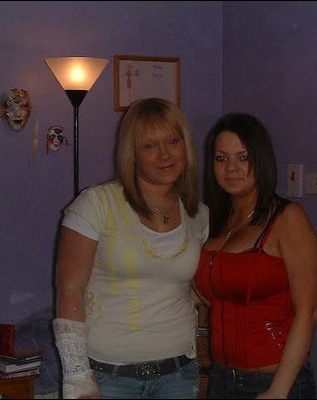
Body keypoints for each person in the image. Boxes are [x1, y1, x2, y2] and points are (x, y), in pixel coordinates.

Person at [52, 97, 209, 399]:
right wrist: (77, 377)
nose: (165, 154)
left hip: (178, 374)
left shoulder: (198, 214)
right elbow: (69, 289)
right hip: (110, 378)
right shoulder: (96, 204)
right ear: (132, 154)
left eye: (172, 141)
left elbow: (191, 289)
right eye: (149, 146)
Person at [193, 112, 317, 399]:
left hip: (274, 381)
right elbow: (205, 292)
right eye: (221, 158)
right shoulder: (214, 221)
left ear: (261, 161)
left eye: (244, 157)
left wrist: (279, 390)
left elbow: (308, 312)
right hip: (221, 378)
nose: (231, 168)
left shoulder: (287, 218)